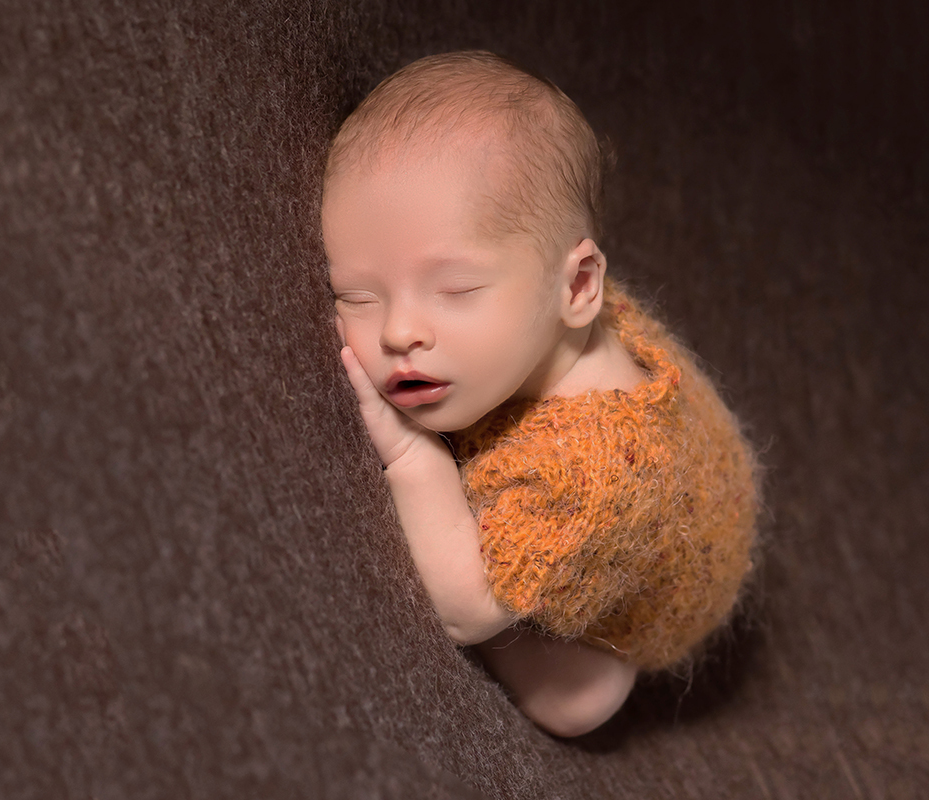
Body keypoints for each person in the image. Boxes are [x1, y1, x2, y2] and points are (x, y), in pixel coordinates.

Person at [321, 51, 760, 737]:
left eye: (456, 290)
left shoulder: (585, 474)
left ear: (580, 287)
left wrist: (415, 456)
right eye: (359, 295)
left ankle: (593, 659)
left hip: (638, 599)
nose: (400, 331)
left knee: (579, 703)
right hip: (659, 471)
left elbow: (464, 608)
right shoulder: (536, 312)